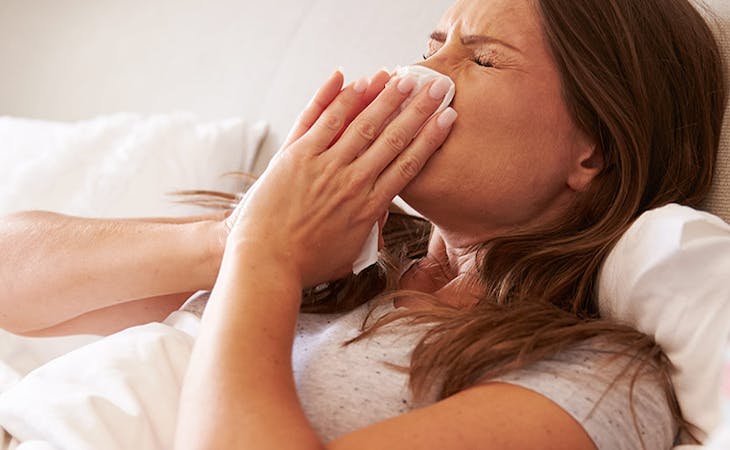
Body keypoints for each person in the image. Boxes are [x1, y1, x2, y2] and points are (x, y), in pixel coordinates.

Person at [0, 0, 726, 448]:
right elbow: (13, 281)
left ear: (592, 147)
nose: (421, 76)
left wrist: (265, 259)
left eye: (480, 58)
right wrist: (234, 238)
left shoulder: (599, 381)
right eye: (430, 44)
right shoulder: (338, 241)